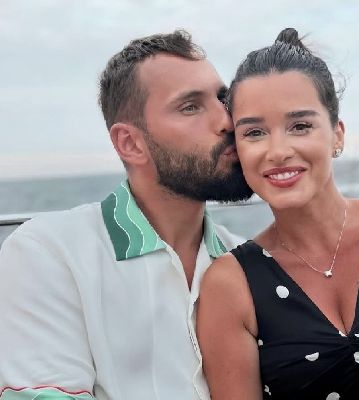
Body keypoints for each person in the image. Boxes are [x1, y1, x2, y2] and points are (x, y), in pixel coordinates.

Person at [197, 28, 359, 399]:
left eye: (300, 126)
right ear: (237, 149)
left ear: (337, 134)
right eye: (255, 132)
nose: (278, 151)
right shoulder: (230, 283)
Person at [0, 30, 253, 400]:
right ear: (131, 143)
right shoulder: (48, 252)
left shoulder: (246, 260)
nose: (227, 121)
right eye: (190, 107)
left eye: (222, 99)